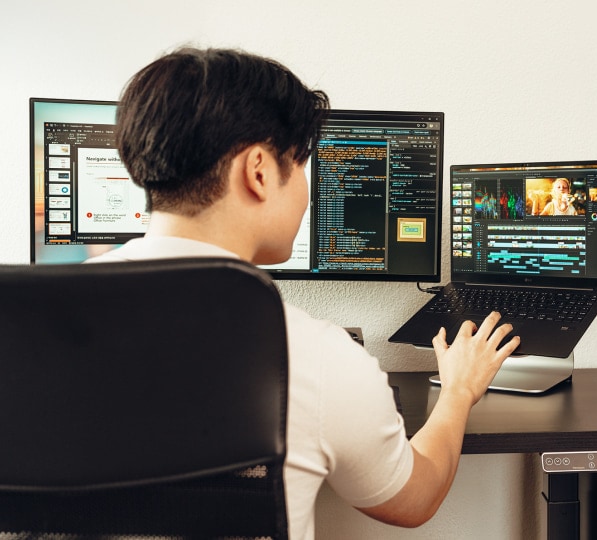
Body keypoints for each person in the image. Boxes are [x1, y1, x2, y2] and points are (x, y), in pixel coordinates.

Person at [87, 47, 520, 539]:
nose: (308, 187)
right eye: (301, 162)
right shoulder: (313, 357)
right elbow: (415, 500)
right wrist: (460, 390)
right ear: (259, 171)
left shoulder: (26, 323)